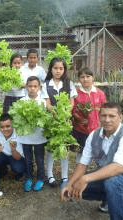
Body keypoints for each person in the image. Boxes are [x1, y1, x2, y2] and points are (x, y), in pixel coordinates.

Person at [61, 102, 123, 220]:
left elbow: (118, 167)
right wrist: (70, 184)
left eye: (112, 116)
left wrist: (85, 178)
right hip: (106, 179)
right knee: (67, 185)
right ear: (99, 117)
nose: (107, 120)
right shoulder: (94, 135)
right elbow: (83, 164)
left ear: (120, 117)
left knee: (113, 182)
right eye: (104, 116)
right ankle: (110, 199)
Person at [45, 57, 78, 187]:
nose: (58, 71)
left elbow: (72, 102)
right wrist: (55, 114)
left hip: (65, 122)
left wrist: (65, 115)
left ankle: (64, 176)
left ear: (64, 69)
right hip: (51, 121)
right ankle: (50, 175)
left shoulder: (69, 83)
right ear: (51, 69)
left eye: (61, 68)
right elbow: (47, 102)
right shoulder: (46, 84)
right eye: (55, 68)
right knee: (51, 148)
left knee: (64, 148)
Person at [18, 76, 47, 192]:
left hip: (39, 136)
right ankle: (29, 177)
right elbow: (18, 120)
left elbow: (45, 120)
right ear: (26, 86)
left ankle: (41, 178)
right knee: (28, 159)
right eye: (30, 86)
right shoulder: (21, 102)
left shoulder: (43, 102)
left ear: (39, 87)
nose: (32, 89)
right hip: (26, 138)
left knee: (40, 158)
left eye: (35, 86)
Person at [72, 67, 107, 162]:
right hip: (81, 129)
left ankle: (99, 171)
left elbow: (104, 109)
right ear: (79, 79)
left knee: (98, 152)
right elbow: (73, 110)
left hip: (96, 129)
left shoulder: (100, 94)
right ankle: (80, 171)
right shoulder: (75, 94)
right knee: (81, 151)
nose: (85, 79)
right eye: (82, 77)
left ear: (93, 78)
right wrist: (80, 119)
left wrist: (100, 122)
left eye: (88, 76)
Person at [0, 113, 26, 180]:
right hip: (4, 155)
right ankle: (2, 172)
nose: (5, 129)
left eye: (8, 126)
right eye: (2, 127)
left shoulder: (18, 135)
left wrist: (13, 149)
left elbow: (18, 157)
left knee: (18, 168)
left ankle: (21, 173)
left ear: (12, 125)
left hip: (16, 156)